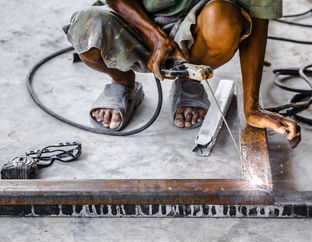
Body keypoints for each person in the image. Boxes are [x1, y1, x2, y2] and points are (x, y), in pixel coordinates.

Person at [64, 0, 300, 142]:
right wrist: (155, 37)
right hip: (130, 17)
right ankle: (123, 82)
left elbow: (258, 13)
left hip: (196, 21)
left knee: (224, 20)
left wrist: (252, 107)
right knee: (88, 24)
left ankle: (188, 79)